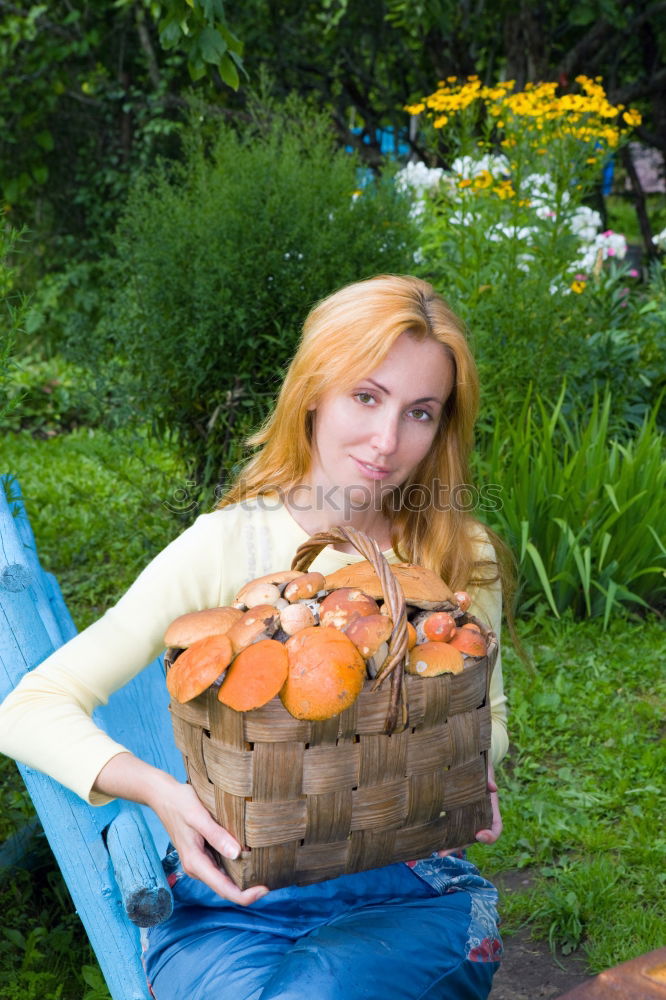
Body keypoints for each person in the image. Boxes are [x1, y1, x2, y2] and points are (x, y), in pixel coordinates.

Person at [0, 274, 510, 999]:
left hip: (412, 890)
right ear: (312, 393)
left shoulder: (460, 556)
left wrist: (468, 767)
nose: (388, 441)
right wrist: (162, 795)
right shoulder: (227, 545)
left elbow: (487, 714)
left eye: (420, 413)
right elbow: (28, 707)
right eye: (365, 397)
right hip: (233, 903)